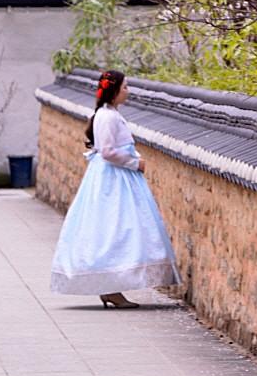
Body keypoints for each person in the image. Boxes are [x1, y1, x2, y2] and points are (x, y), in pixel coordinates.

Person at [50, 70, 181, 307]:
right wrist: (135, 163)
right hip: (114, 179)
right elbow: (108, 151)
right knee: (114, 228)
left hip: (116, 176)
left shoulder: (107, 114)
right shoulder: (107, 117)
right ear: (115, 90)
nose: (128, 91)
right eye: (125, 87)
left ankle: (111, 288)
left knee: (116, 229)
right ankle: (110, 286)